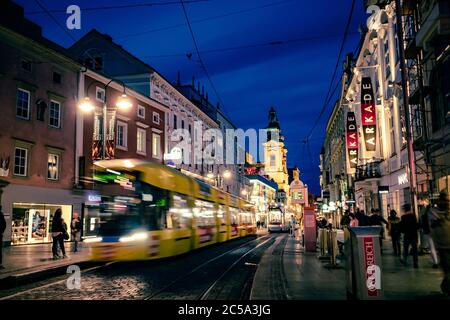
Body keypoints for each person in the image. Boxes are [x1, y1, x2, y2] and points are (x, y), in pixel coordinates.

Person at [429, 191, 450, 295]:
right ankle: (446, 287)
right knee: (447, 269)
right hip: (443, 246)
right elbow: (433, 224)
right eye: (445, 200)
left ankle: (446, 286)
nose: (447, 203)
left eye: (448, 200)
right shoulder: (433, 212)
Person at [418, 193, 439, 268]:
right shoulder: (431, 207)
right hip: (434, 230)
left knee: (432, 247)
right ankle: (436, 261)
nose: (418, 201)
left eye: (419, 199)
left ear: (424, 200)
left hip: (428, 230)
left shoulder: (425, 209)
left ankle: (435, 262)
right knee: (435, 247)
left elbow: (422, 220)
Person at [399, 203, 419, 268]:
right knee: (415, 249)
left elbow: (402, 228)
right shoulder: (413, 216)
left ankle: (404, 260)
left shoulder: (403, 217)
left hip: (407, 235)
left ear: (405, 210)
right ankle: (415, 262)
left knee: (406, 249)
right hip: (413, 235)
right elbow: (416, 225)